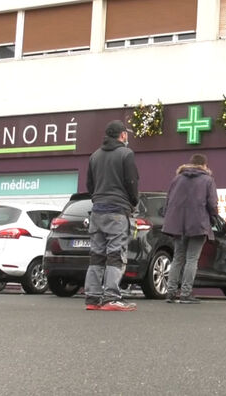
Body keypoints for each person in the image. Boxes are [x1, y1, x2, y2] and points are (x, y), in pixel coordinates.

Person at [85, 120, 139, 311]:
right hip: (117, 210)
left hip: (98, 210)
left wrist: (98, 198)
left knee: (97, 255)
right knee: (115, 254)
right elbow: (132, 181)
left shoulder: (94, 156)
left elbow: (89, 185)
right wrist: (133, 201)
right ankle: (111, 297)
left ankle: (92, 298)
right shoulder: (126, 154)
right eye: (127, 134)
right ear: (122, 135)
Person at [162, 153, 218, 304]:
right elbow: (212, 204)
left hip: (177, 224)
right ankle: (185, 293)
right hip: (198, 224)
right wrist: (214, 219)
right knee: (192, 259)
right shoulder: (208, 180)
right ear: (204, 165)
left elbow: (168, 201)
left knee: (177, 258)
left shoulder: (177, 179)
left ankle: (170, 292)